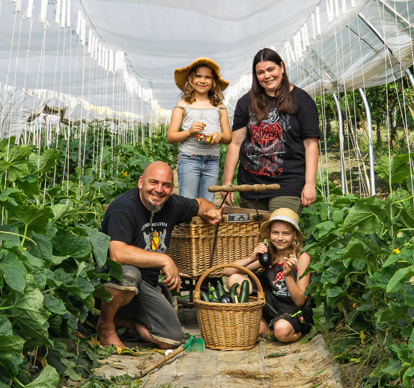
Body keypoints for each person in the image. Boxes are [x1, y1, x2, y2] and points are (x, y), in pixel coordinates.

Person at [98, 161, 222, 349]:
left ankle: (123, 321)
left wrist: (210, 212)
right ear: (141, 183)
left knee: (171, 338)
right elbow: (117, 253)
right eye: (153, 182)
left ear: (172, 188)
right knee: (129, 273)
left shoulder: (172, 204)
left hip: (146, 285)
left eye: (166, 185)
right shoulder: (123, 208)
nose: (159, 189)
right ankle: (105, 326)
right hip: (112, 280)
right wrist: (164, 259)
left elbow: (201, 204)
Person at [221, 48, 320, 215]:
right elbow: (236, 143)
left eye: (270, 69)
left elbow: (311, 144)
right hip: (251, 186)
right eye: (260, 72)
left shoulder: (302, 100)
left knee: (280, 234)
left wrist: (310, 184)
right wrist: (227, 183)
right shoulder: (245, 102)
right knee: (254, 239)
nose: (266, 76)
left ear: (281, 67)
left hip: (287, 185)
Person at [223, 208, 313, 342]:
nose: (280, 238)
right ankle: (266, 327)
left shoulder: (302, 258)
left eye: (286, 233)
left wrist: (287, 275)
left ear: (294, 235)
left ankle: (299, 331)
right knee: (234, 279)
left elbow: (300, 300)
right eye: (275, 233)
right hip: (272, 304)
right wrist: (251, 258)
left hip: (294, 308)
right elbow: (226, 271)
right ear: (269, 234)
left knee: (282, 331)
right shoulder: (269, 257)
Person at [167, 57, 232, 201]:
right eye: (198, 76)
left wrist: (220, 136)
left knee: (208, 204)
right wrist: (190, 131)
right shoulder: (183, 105)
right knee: (188, 202)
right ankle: (188, 224)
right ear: (191, 79)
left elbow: (228, 137)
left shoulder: (219, 106)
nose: (203, 80)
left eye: (208, 77)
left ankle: (203, 224)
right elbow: (170, 137)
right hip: (189, 160)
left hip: (212, 161)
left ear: (213, 82)